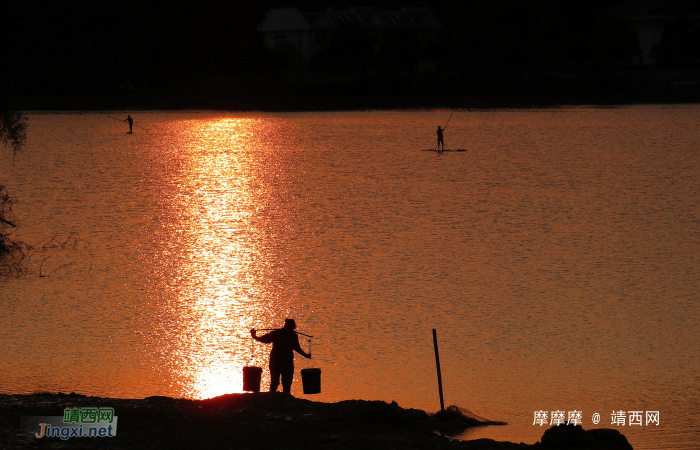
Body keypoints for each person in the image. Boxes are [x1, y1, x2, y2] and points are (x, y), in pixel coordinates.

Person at [251, 319, 311, 393]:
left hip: (286, 362)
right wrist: (254, 336)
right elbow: (264, 339)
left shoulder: (293, 336)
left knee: (287, 382)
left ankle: (284, 397)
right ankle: (272, 397)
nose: (291, 330)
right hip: (276, 362)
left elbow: (297, 348)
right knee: (275, 381)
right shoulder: (277, 334)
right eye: (291, 328)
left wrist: (306, 355)